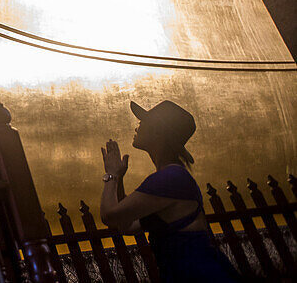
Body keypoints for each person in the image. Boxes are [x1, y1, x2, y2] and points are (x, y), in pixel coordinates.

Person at [100, 100, 239, 281]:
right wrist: (119, 179)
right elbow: (127, 226)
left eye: (143, 122)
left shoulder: (170, 179)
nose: (138, 126)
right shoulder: (172, 177)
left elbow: (109, 216)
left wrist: (111, 175)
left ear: (158, 132)